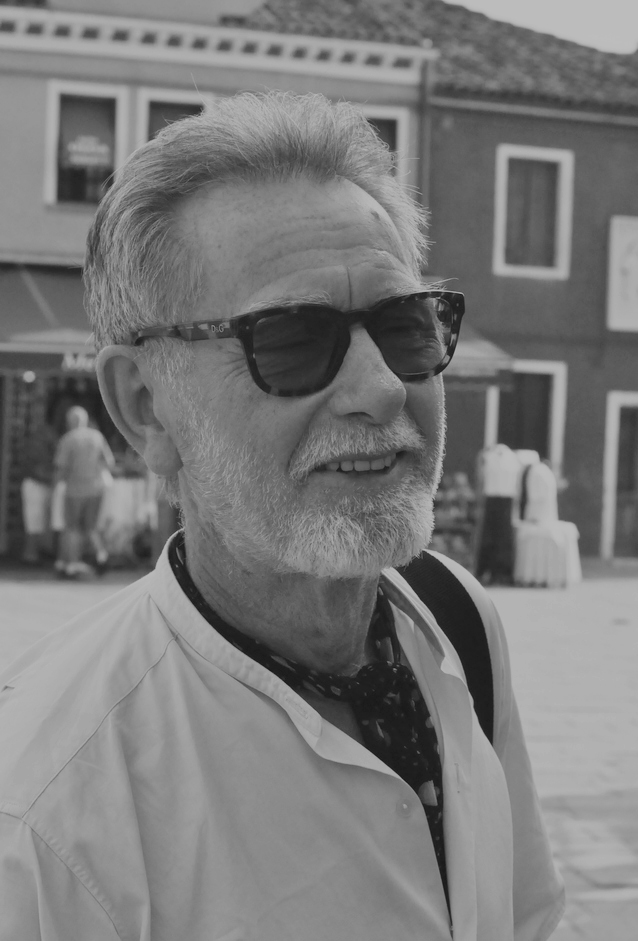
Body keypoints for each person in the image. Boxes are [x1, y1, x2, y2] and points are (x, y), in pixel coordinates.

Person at [0, 92, 564, 940]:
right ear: (146, 406)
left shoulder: (456, 619)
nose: (382, 388)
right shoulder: (45, 817)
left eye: (406, 325)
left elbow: (524, 918)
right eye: (293, 340)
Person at [52, 405, 115, 577]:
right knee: (91, 527)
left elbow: (61, 468)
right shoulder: (97, 437)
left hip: (74, 489)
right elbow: (109, 462)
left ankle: (72, 564)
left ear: (69, 421)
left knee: (72, 527)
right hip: (96, 489)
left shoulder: (68, 439)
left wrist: (55, 487)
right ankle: (102, 556)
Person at [19, 422, 57, 564]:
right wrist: (53, 479)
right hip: (35, 485)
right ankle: (30, 555)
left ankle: (35, 553)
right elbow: (37, 472)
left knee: (39, 522)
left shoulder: (46, 447)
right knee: (33, 522)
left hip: (40, 485)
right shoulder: (34, 447)